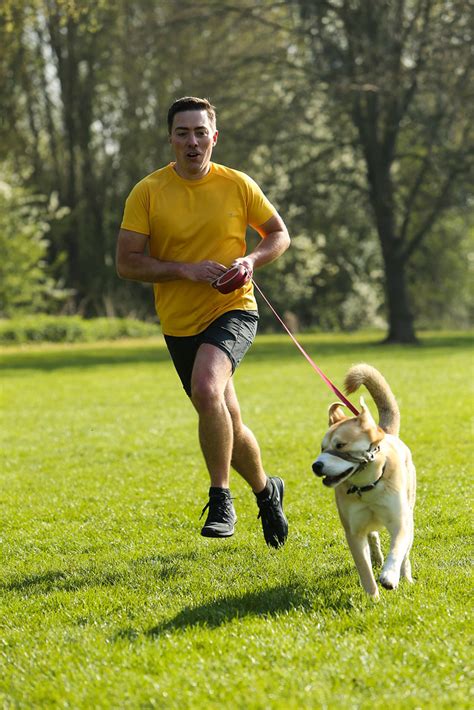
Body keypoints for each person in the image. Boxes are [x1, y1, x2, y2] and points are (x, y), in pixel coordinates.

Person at [116, 96, 291, 547]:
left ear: (214, 137)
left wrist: (251, 260)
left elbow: (278, 234)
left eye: (200, 132)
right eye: (182, 133)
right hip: (178, 323)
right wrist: (183, 269)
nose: (192, 142)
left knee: (207, 390)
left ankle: (220, 498)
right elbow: (127, 264)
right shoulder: (148, 192)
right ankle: (266, 490)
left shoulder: (237, 185)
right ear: (171, 139)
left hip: (233, 309)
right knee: (226, 418)